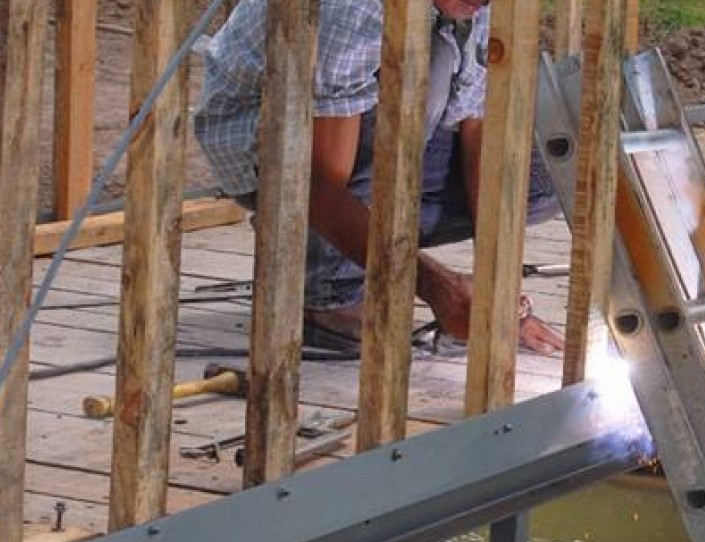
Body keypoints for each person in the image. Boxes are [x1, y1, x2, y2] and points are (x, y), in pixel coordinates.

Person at [194, 0, 565, 356]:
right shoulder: (354, 8)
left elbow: (478, 132)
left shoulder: (475, 5)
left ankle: (323, 239)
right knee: (414, 73)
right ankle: (329, 289)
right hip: (272, 149)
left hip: (369, 134)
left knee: (544, 178)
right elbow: (318, 185)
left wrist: (496, 291)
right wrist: (438, 288)